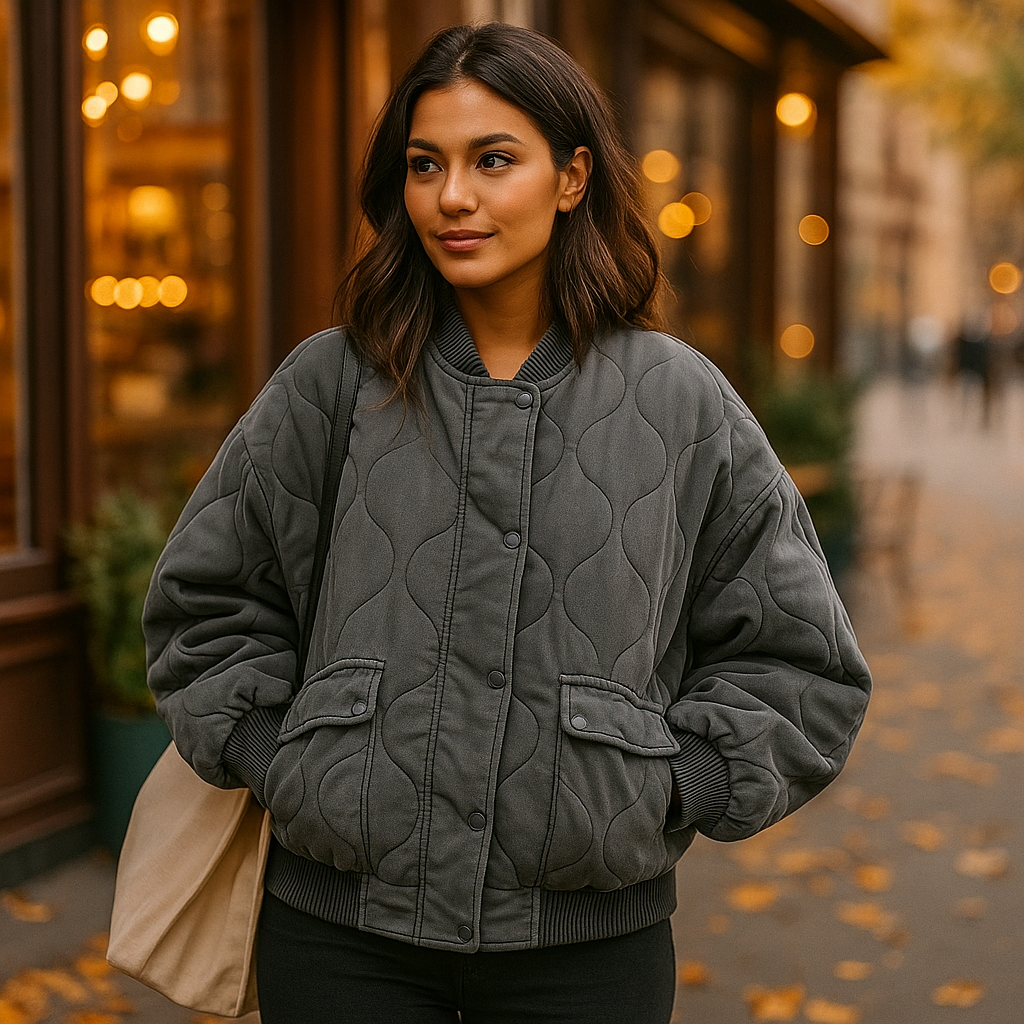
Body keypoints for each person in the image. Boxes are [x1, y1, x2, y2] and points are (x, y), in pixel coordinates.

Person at [143, 22, 871, 1024]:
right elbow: (204, 608)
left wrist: (676, 786)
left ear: (571, 177)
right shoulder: (332, 381)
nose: (453, 197)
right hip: (343, 939)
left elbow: (801, 662)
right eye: (424, 164)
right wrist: (287, 762)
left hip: (587, 951)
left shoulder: (677, 399)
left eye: (493, 160)